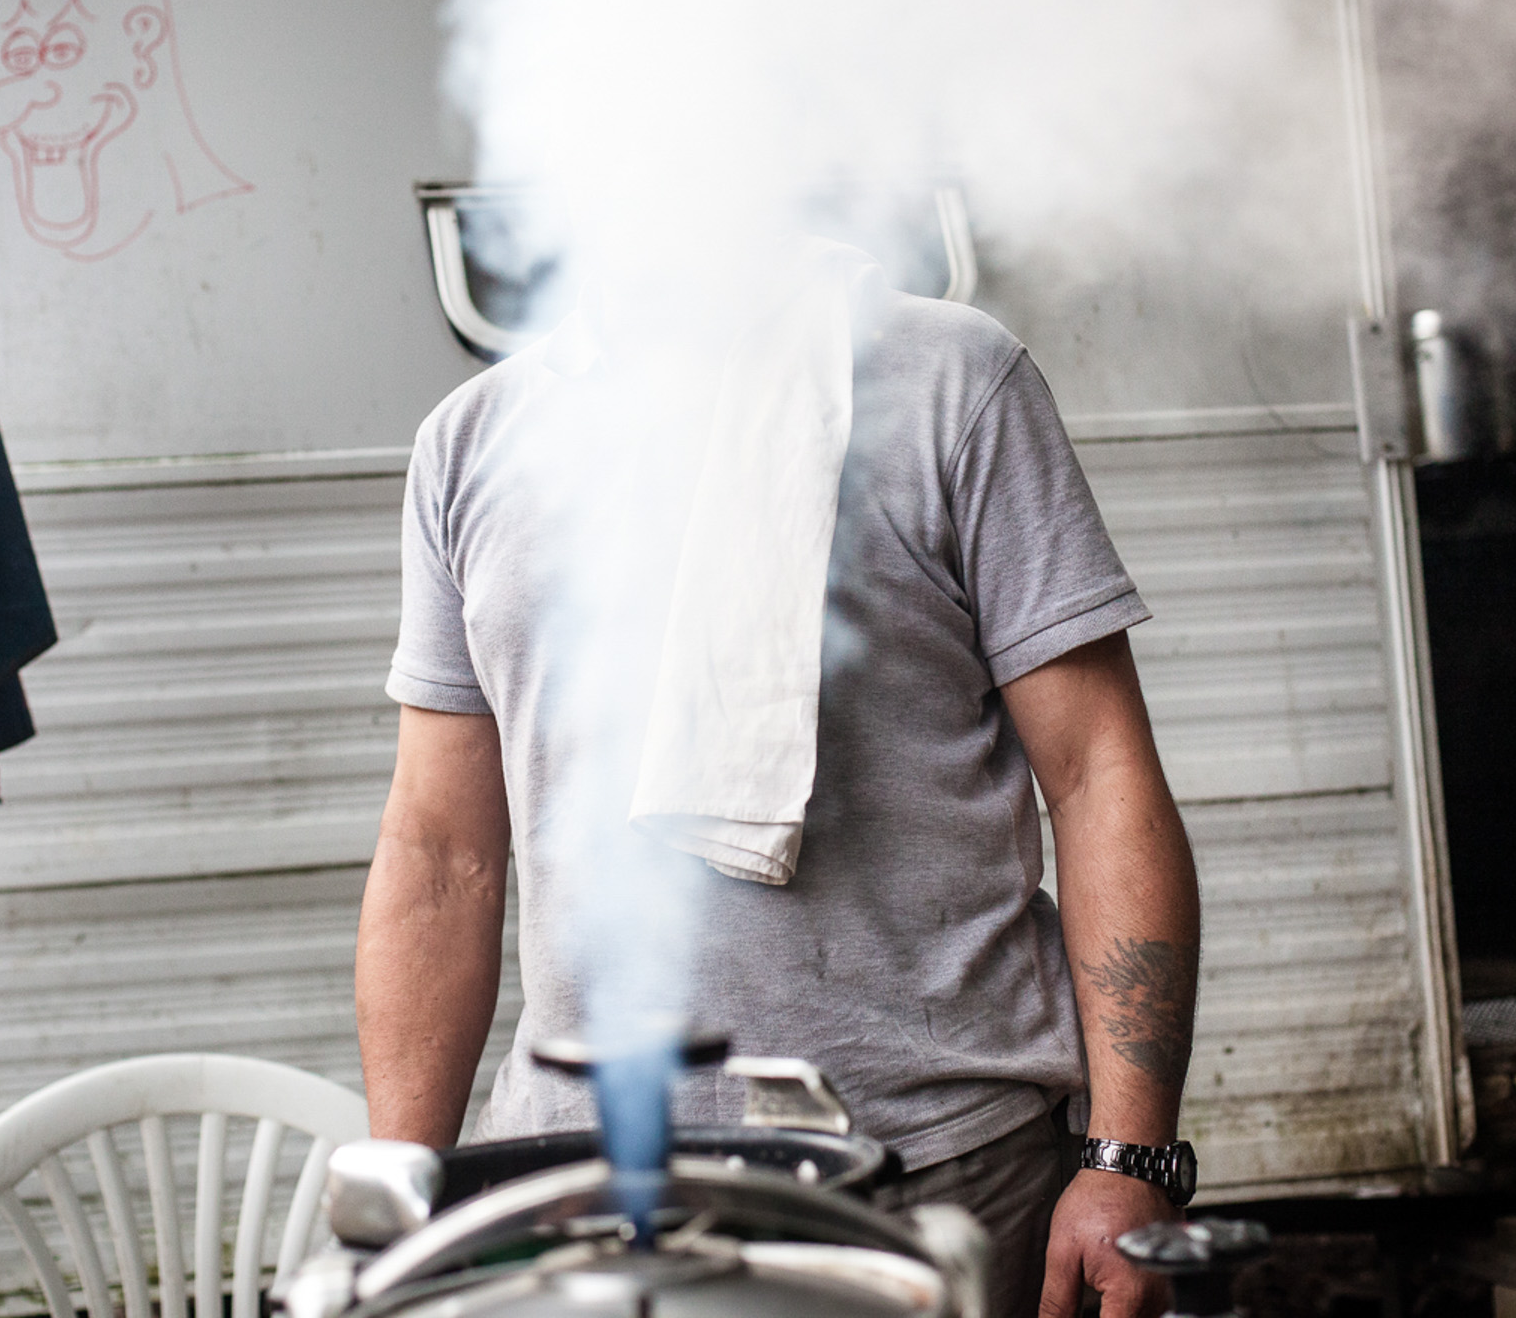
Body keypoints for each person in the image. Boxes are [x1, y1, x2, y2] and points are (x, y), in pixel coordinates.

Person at [357, 274, 1201, 1318]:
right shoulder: (472, 440)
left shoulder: (951, 380)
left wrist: (1131, 1157)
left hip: (935, 1167)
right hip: (580, 1182)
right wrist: (397, 1190)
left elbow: (1097, 776)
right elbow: (441, 854)